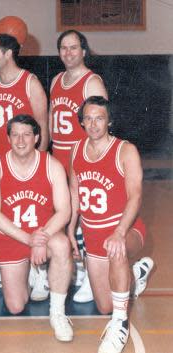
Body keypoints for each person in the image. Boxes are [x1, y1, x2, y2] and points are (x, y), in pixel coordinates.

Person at [68, 96, 153, 353]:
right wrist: (71, 229)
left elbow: (136, 195)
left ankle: (119, 326)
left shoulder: (125, 150)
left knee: (117, 252)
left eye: (100, 118)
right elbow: (74, 192)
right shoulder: (76, 150)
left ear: (109, 121)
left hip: (125, 229)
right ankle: (135, 276)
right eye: (89, 118)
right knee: (104, 305)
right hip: (93, 236)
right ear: (82, 122)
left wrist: (119, 232)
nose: (94, 124)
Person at [0, 115, 74, 342]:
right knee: (15, 306)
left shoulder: (52, 165)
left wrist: (40, 239)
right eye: (15, 135)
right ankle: (33, 271)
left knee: (62, 245)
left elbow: (64, 211)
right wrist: (29, 240)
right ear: (8, 138)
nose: (20, 140)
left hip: (44, 233)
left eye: (26, 135)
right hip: (12, 237)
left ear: (36, 137)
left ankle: (57, 313)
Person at [0, 33, 49, 296]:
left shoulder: (30, 83)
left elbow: (43, 125)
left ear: (8, 54)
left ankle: (39, 272)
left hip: (24, 163)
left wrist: (40, 162)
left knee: (32, 212)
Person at [50, 30, 109, 304]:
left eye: (74, 48)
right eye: (63, 48)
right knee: (63, 217)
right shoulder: (55, 81)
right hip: (59, 157)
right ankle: (72, 268)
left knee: (84, 219)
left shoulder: (91, 82)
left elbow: (101, 126)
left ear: (84, 51)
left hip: (81, 157)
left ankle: (89, 274)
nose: (68, 53)